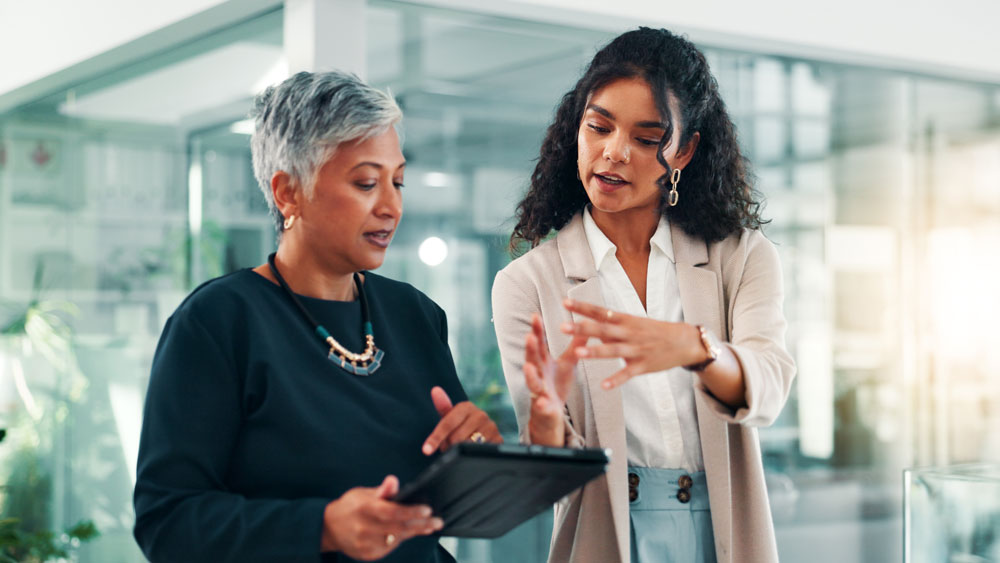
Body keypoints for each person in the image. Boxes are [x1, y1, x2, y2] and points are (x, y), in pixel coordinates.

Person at [133, 70, 501, 563]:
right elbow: (168, 523)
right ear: (288, 193)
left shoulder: (416, 316)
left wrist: (479, 454)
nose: (391, 206)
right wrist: (322, 527)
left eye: (398, 181)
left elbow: (441, 507)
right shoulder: (219, 322)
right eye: (367, 182)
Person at [492, 28, 795, 563]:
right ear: (576, 129)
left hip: (724, 527)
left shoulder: (741, 256)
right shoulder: (526, 284)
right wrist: (542, 424)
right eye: (598, 127)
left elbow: (769, 383)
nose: (614, 153)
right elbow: (548, 464)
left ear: (685, 151)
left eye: (646, 138)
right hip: (605, 531)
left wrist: (699, 349)